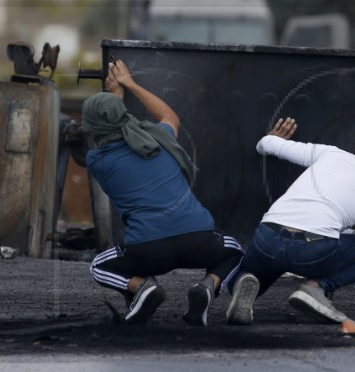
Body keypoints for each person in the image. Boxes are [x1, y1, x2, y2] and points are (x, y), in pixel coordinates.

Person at [84, 59, 243, 326]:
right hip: (198, 241)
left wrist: (115, 99)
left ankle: (142, 288)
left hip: (148, 250)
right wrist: (129, 84)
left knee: (98, 266)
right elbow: (170, 117)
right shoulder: (160, 137)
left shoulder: (96, 161)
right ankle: (208, 286)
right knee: (235, 251)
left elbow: (115, 131)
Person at [225, 118, 355, 325]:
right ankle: (314, 288)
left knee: (255, 271)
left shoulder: (332, 154)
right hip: (310, 250)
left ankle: (242, 283)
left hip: (267, 236)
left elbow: (265, 145)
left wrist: (271, 139)